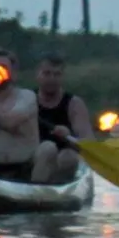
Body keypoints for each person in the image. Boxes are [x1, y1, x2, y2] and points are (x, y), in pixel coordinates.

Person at [32, 54, 93, 184]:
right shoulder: (27, 99)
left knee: (68, 157)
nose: (51, 79)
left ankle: (52, 189)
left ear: (63, 77)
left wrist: (69, 136)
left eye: (57, 74)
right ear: (38, 75)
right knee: (45, 151)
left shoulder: (74, 104)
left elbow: (89, 144)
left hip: (63, 162)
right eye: (47, 73)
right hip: (34, 157)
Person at [0, 50, 39, 180]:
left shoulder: (27, 97)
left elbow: (9, 122)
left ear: (13, 74)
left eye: (3, 68)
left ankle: (37, 197)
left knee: (48, 148)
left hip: (25, 168)